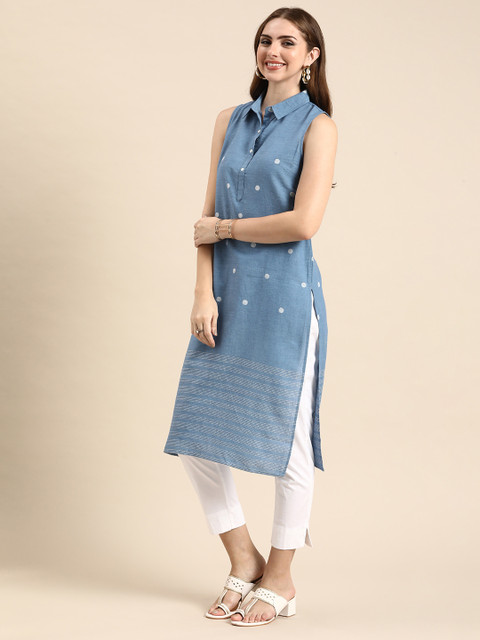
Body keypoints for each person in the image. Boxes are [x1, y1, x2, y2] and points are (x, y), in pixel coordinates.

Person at [163, 6, 337, 627]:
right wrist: (201, 292)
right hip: (225, 296)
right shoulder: (228, 120)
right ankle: (244, 559)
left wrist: (226, 230)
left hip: (285, 301)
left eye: (288, 42)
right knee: (195, 435)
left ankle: (281, 577)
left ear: (311, 56)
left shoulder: (318, 128)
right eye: (266, 40)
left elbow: (304, 222)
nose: (274, 51)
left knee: (287, 443)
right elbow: (205, 216)